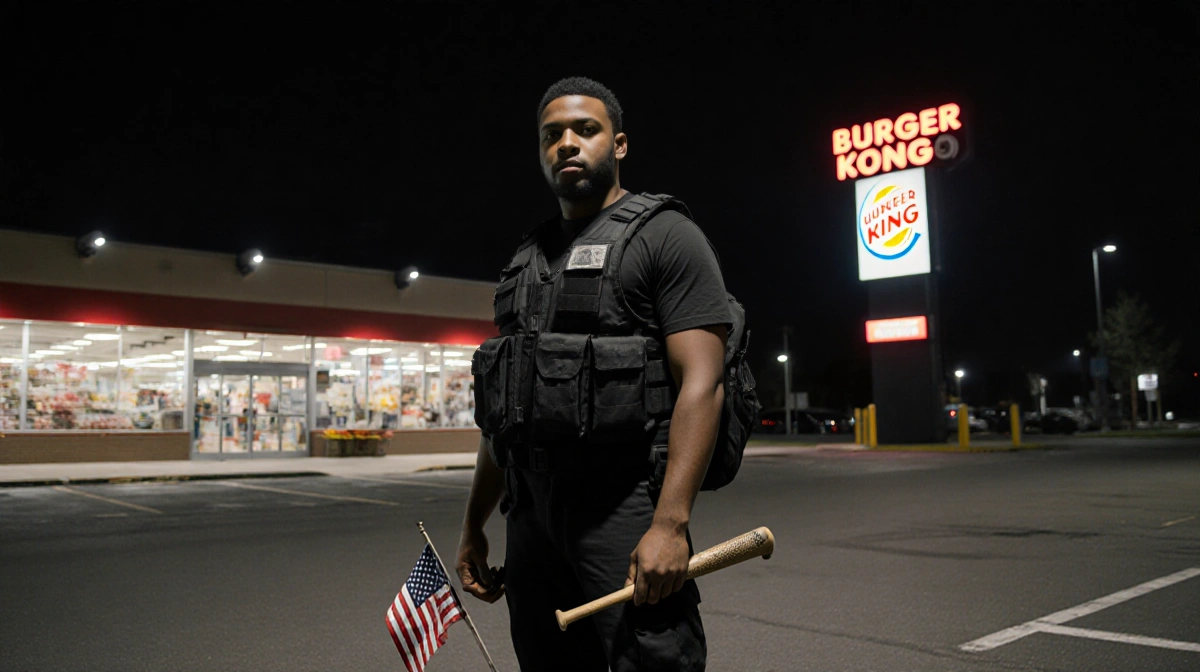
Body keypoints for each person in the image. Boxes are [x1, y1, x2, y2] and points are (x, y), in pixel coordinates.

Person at [456, 76, 731, 671]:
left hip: (623, 507)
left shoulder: (666, 237)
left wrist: (670, 523)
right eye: (551, 135)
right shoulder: (523, 264)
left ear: (620, 143)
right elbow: (503, 413)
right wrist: (474, 524)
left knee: (654, 662)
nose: (567, 144)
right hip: (531, 518)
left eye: (586, 129)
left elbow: (703, 383)